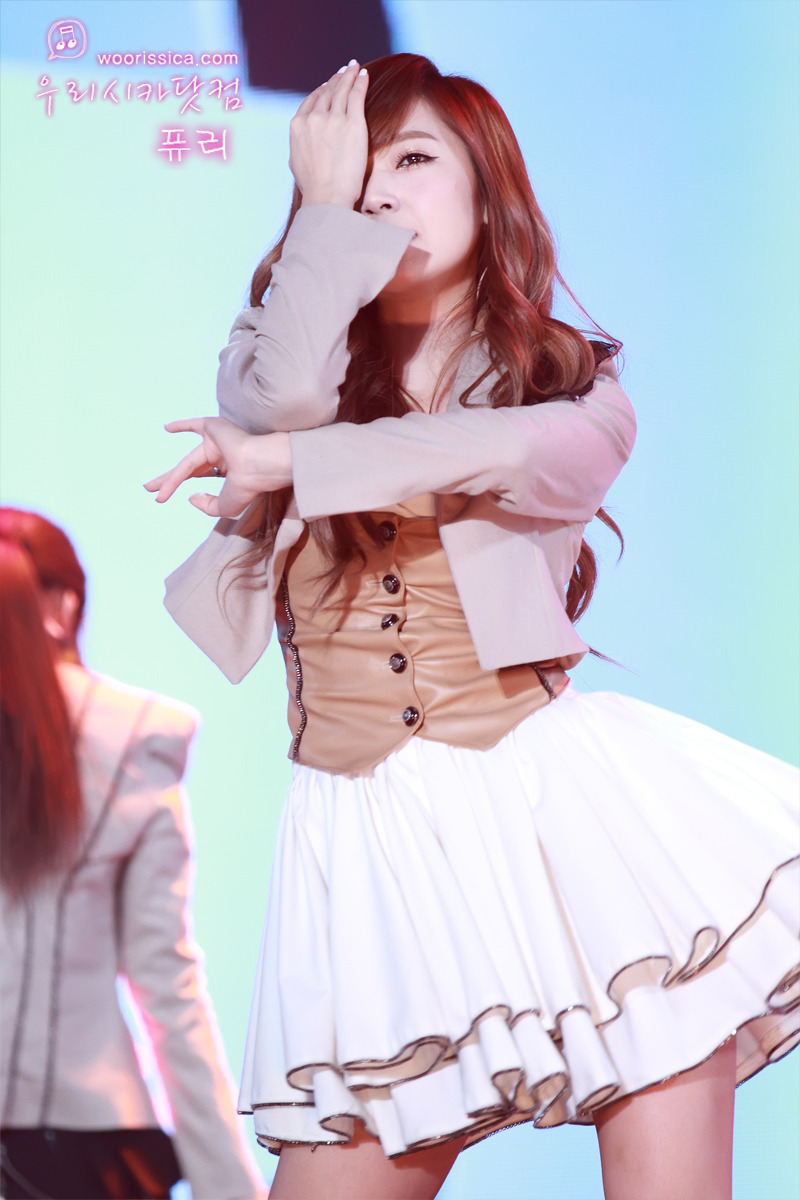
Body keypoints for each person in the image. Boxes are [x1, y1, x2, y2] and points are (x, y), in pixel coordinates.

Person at [145, 54, 799, 1200]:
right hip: (368, 852)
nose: (378, 188)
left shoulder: (574, 392)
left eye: (410, 158)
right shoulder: (280, 365)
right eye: (353, 170)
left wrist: (292, 464)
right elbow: (281, 402)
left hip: (567, 831)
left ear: (486, 191)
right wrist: (319, 218)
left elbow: (488, 451)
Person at [0, 508, 266, 1200]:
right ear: (66, 605)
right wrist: (230, 1188)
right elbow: (166, 984)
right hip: (88, 1141)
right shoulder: (138, 734)